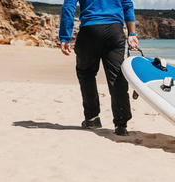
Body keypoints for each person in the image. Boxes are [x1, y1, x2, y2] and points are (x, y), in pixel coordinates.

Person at [59, 0, 138, 136]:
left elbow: (68, 7)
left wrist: (65, 37)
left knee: (86, 74)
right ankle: (121, 124)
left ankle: (92, 118)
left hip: (90, 31)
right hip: (114, 30)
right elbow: (128, 5)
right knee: (117, 76)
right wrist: (132, 33)